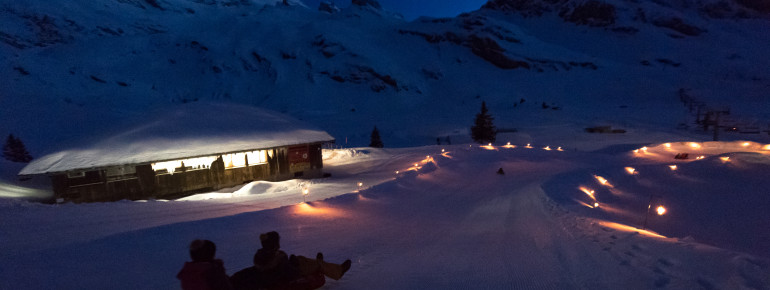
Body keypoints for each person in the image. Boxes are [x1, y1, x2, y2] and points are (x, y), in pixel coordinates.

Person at [231, 231, 351, 290]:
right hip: (286, 275)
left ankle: (317, 263)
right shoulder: (276, 258)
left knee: (300, 258)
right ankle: (336, 270)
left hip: (281, 270)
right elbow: (291, 274)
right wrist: (292, 264)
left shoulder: (261, 255)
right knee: (310, 264)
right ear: (274, 243)